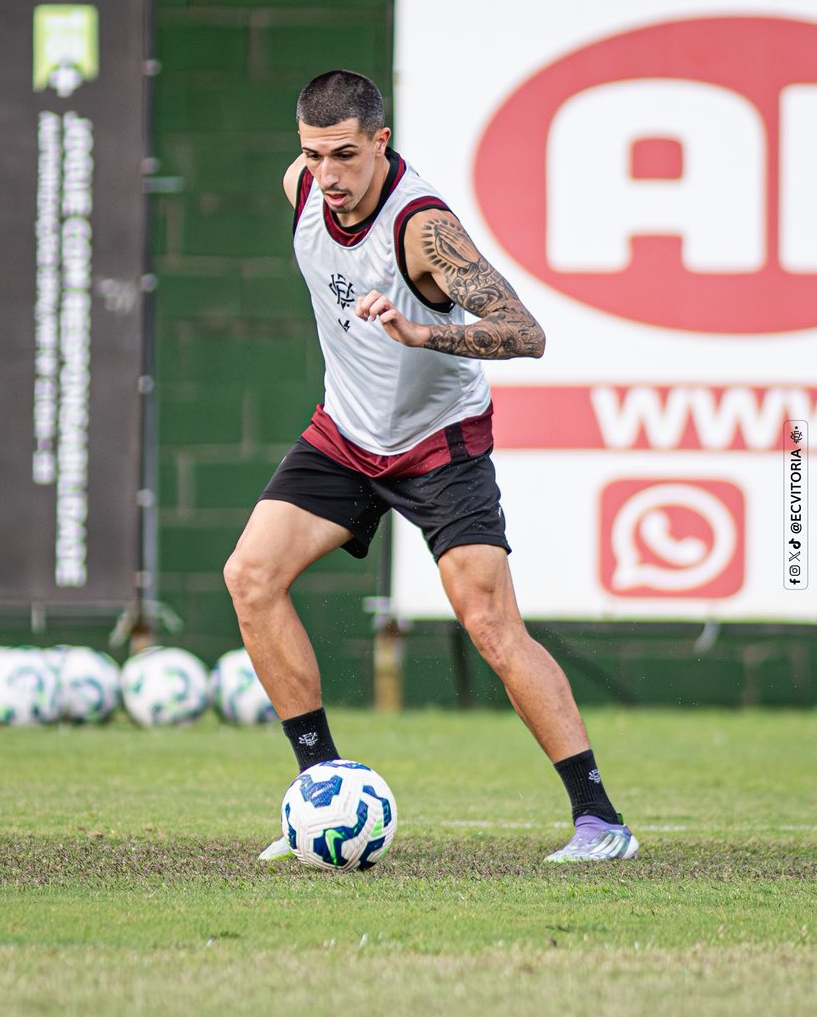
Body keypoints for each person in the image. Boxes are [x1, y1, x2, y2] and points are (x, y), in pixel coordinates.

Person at [223, 70, 637, 863]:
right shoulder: (303, 188)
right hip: (344, 437)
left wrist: (422, 335)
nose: (329, 176)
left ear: (382, 141)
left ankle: (599, 821)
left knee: (487, 622)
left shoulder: (422, 229)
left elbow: (525, 330)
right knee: (251, 576)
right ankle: (322, 793)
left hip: (440, 445)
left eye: (345, 155)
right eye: (314, 156)